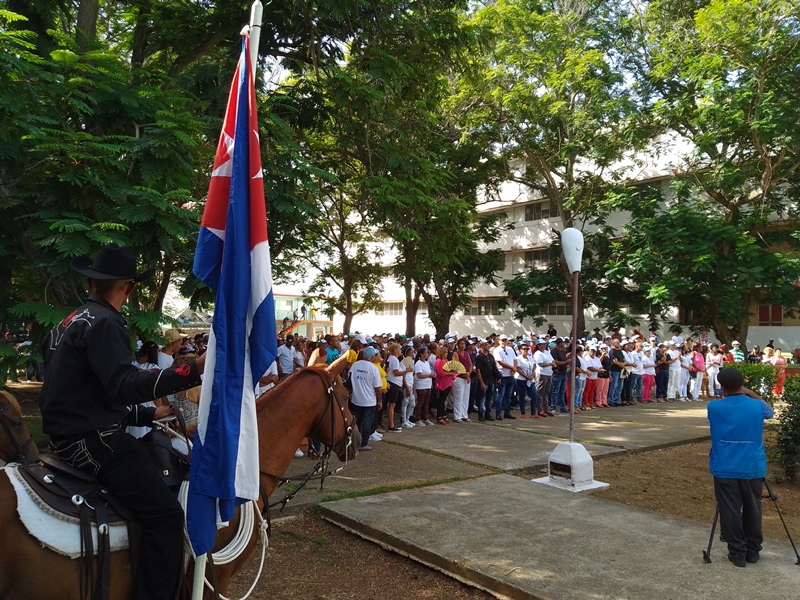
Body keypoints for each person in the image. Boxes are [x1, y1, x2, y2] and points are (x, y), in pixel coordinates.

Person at [39, 244, 205, 600]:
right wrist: (192, 369)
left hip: (64, 438)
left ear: (91, 281)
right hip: (95, 443)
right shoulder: (107, 321)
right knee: (166, 517)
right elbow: (125, 385)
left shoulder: (64, 324)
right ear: (128, 287)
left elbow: (83, 392)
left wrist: (147, 414)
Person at [707, 368, 774, 568]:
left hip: (725, 466)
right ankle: (753, 551)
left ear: (722, 386)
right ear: (742, 384)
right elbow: (769, 412)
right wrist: (749, 392)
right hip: (752, 465)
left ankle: (737, 553)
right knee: (753, 509)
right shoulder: (756, 406)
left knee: (730, 510)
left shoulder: (714, 406)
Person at [349, 346, 383, 452]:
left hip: (356, 399)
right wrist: (380, 400)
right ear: (372, 357)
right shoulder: (373, 368)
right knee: (367, 423)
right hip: (369, 401)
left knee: (357, 421)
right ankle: (363, 444)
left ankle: (354, 441)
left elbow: (349, 378)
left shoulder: (355, 365)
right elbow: (378, 388)